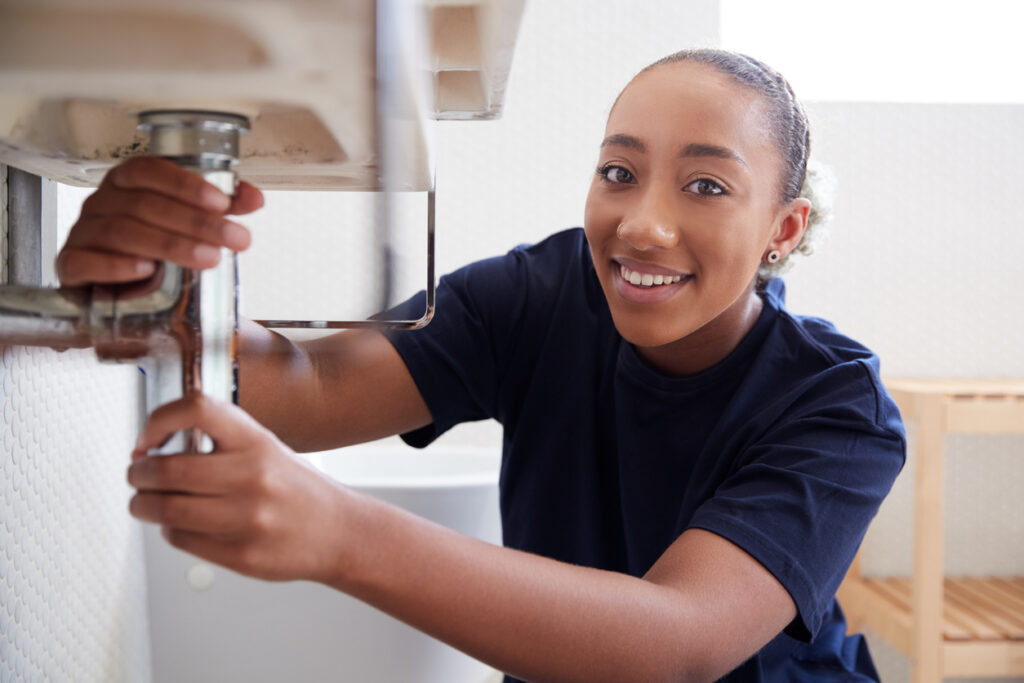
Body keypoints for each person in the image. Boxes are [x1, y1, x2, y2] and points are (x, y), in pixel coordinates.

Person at [57, 49, 905, 682]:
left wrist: (340, 531)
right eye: (620, 171)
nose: (644, 224)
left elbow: (677, 638)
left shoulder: (837, 406)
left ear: (783, 230)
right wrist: (154, 283)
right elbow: (303, 388)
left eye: (707, 187)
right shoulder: (541, 294)